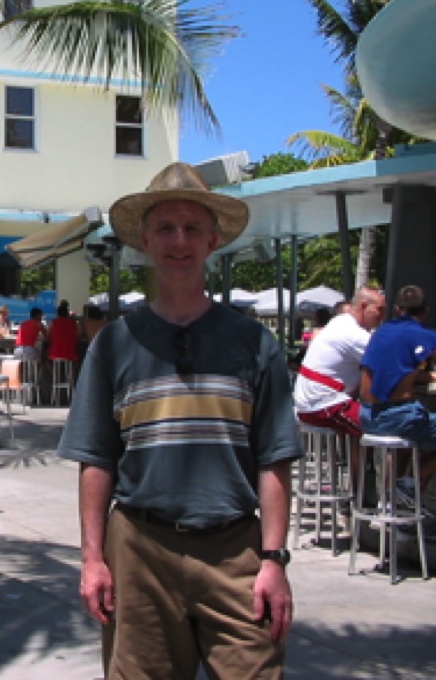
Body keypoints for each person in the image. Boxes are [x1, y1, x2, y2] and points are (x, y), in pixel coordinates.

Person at [58, 162, 301, 679]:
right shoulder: (113, 345)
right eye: (166, 228)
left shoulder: (254, 343)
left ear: (213, 241)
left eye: (192, 228)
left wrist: (274, 560)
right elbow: (96, 460)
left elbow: (275, 459)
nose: (179, 240)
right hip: (140, 550)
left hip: (236, 549)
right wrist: (93, 559)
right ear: (145, 241)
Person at [358, 284, 436, 509]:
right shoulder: (424, 336)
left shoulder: (381, 332)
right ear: (426, 311)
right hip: (398, 417)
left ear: (397, 309)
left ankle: (396, 497)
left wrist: (422, 376)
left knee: (412, 436)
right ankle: (410, 484)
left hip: (368, 416)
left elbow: (396, 370)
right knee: (416, 426)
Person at [293, 286, 386, 437]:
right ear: (364, 306)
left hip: (309, 403)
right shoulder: (355, 335)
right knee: (390, 426)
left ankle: (363, 461)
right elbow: (389, 368)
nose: (382, 315)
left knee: (373, 423)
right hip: (325, 404)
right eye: (379, 310)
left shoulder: (340, 321)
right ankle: (388, 461)